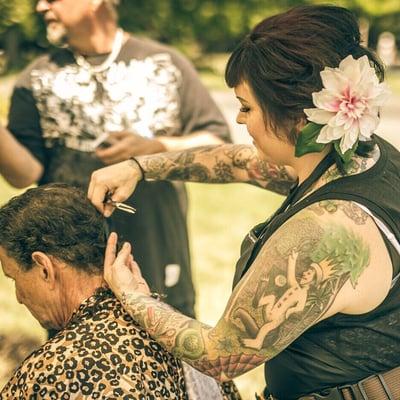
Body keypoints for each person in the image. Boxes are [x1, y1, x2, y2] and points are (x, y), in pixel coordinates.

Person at [88, 5, 400, 400]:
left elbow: (221, 354)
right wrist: (139, 167)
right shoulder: (362, 156)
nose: (239, 120)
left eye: (247, 107)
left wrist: (132, 293)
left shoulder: (326, 232)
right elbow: (236, 163)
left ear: (300, 118)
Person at [3, 0, 231, 319]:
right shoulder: (35, 77)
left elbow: (218, 144)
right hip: (71, 273)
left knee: (169, 353)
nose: (41, 6)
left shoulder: (166, 63)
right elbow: (24, 173)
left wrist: (155, 147)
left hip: (156, 250)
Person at [0, 184, 241, 399]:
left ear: (45, 268)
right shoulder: (181, 335)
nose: (19, 298)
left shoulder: (54, 371)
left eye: (14, 278)